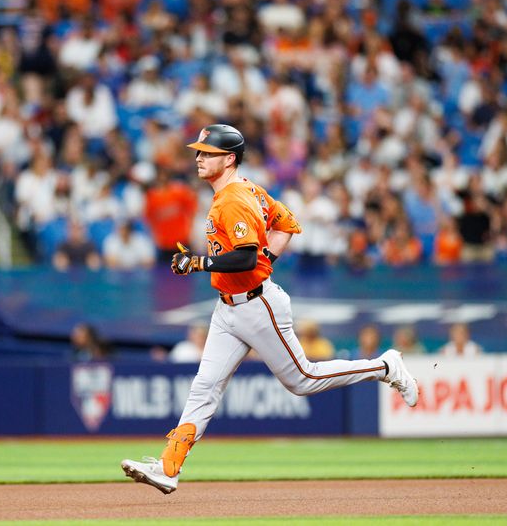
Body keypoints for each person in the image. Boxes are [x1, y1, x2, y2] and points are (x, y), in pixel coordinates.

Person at [121, 124, 419, 494]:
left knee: (302, 379)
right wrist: (266, 259)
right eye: (198, 151)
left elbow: (245, 257)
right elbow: (287, 224)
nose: (198, 158)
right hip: (228, 307)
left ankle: (385, 365)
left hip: (257, 305)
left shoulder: (233, 199)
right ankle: (169, 467)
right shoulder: (248, 189)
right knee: (205, 386)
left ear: (228, 159)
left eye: (207, 153)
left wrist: (200, 263)